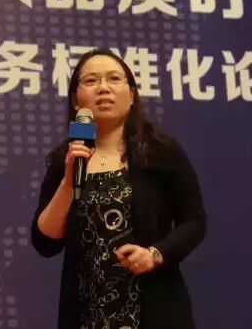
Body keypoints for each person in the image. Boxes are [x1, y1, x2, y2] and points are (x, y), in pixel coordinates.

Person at [31, 48, 207, 329]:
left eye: (114, 78)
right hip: (87, 314)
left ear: (132, 94)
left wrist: (155, 254)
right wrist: (68, 181)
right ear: (76, 100)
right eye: (91, 81)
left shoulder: (161, 152)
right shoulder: (66, 158)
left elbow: (194, 221)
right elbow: (45, 241)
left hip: (154, 309)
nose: (103, 88)